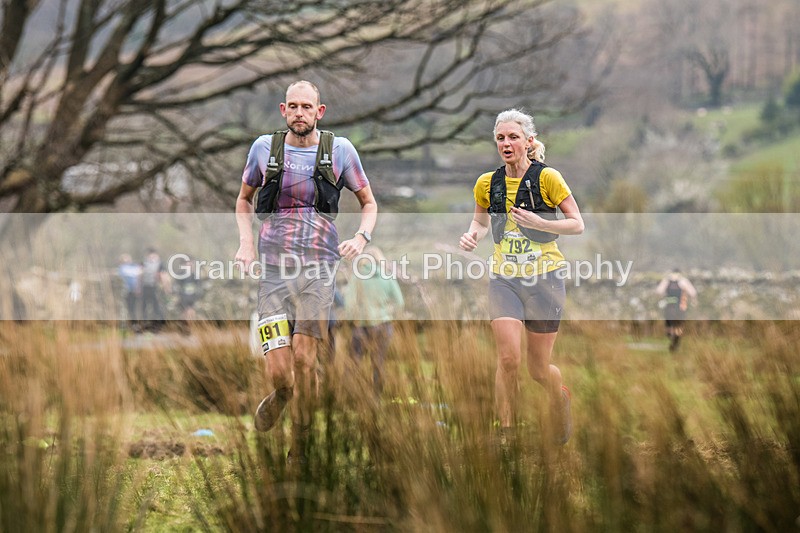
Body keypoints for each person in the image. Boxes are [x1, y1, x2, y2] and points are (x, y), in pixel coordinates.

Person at [234, 80, 377, 462]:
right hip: (274, 270)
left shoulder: (341, 150)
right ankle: (281, 396)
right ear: (283, 111)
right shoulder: (264, 149)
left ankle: (301, 442)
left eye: (306, 106)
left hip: (319, 267)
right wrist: (246, 244)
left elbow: (369, 203)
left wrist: (361, 238)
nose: (299, 113)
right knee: (281, 371)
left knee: (305, 359)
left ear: (320, 111)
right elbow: (244, 200)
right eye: (292, 106)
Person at [459, 108, 584, 445]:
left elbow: (577, 223)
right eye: (500, 138)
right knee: (508, 358)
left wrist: (540, 223)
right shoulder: (487, 183)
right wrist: (473, 235)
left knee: (538, 369)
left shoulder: (548, 178)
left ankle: (560, 398)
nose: (506, 143)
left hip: (545, 279)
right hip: (505, 279)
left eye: (513, 137)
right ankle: (506, 433)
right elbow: (481, 222)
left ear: (529, 142)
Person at [343, 246, 404, 396]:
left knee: (353, 363)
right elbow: (400, 303)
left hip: (361, 327)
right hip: (383, 325)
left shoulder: (356, 278)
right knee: (379, 363)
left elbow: (349, 305)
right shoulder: (387, 276)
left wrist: (354, 319)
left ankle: (350, 396)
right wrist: (388, 315)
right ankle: (376, 398)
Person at [656, 269, 697, 352]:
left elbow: (659, 291)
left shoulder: (666, 281)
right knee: (679, 325)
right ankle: (676, 340)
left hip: (669, 307)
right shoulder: (684, 281)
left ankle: (673, 339)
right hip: (680, 308)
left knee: (669, 325)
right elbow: (693, 292)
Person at [140, 247, 167, 331]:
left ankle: (158, 326)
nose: (151, 257)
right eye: (150, 256)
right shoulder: (144, 263)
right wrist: (138, 288)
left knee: (157, 307)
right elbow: (139, 275)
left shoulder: (160, 264)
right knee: (144, 307)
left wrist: (166, 288)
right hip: (146, 288)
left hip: (156, 288)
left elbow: (164, 276)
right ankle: (145, 325)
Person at [118, 253, 142, 330]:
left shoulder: (133, 267)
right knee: (129, 308)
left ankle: (136, 324)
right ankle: (132, 324)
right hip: (127, 291)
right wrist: (138, 271)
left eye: (128, 259)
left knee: (136, 308)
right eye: (125, 259)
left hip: (135, 291)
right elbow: (133, 273)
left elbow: (139, 273)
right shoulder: (122, 268)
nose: (127, 261)